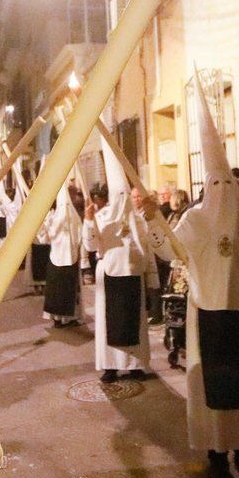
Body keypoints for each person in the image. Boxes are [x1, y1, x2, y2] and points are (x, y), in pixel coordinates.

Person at [142, 90, 239, 478]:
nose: (223, 189)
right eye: (216, 182)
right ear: (207, 184)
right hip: (205, 313)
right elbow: (169, 250)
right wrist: (153, 219)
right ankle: (216, 455)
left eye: (229, 182)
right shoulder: (193, 219)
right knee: (210, 386)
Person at [86, 142, 152, 383]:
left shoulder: (139, 220)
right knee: (108, 322)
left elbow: (148, 249)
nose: (124, 200)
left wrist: (152, 278)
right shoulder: (102, 218)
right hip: (109, 275)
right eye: (119, 195)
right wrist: (88, 221)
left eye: (127, 195)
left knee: (136, 323)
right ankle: (110, 366)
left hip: (134, 276)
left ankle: (135, 365)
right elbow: (91, 245)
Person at [42, 177, 85, 329]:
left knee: (71, 290)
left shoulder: (75, 219)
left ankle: (72, 316)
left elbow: (81, 234)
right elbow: (45, 237)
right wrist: (47, 224)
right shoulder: (52, 218)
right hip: (57, 258)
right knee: (57, 292)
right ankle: (58, 318)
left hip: (71, 257)